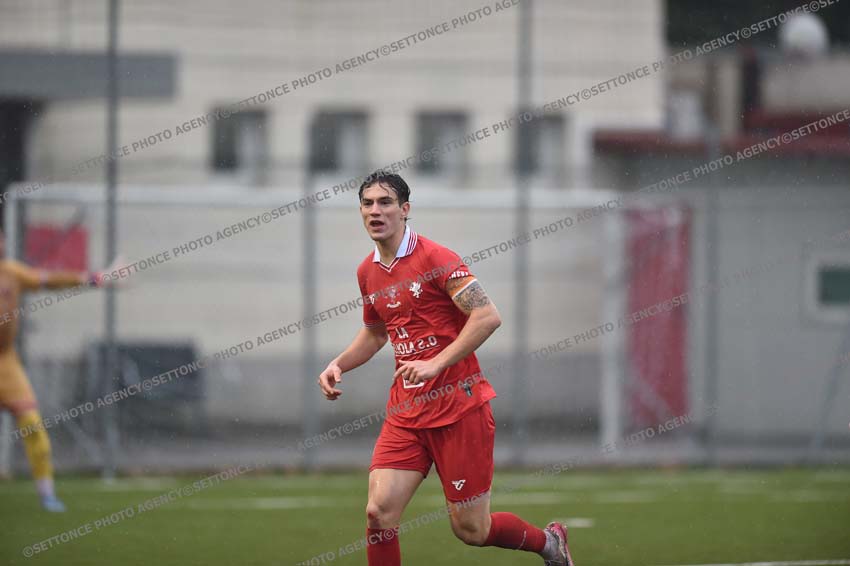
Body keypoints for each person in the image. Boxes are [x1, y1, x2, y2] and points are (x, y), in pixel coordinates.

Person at [317, 171, 575, 565]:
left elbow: (487, 316)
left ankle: (549, 544)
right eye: (367, 203)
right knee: (378, 512)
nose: (375, 211)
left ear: (405, 210)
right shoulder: (367, 271)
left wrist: (436, 363)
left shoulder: (436, 258)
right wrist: (338, 364)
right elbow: (375, 332)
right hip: (406, 412)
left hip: (459, 409)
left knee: (472, 529)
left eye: (385, 203)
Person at [0, 230, 110, 512]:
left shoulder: (11, 272)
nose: (1, 244)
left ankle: (47, 494)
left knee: (33, 427)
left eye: (1, 238)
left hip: (6, 364)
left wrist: (93, 278)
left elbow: (50, 280)